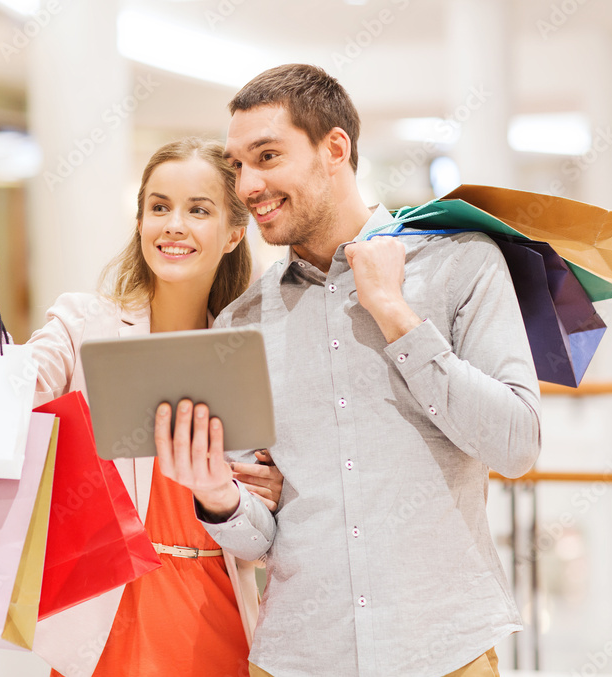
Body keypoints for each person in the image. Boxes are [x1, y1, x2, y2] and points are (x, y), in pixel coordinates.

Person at [154, 65, 542, 677]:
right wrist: (215, 494)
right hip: (296, 658)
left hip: (443, 652)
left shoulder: (461, 264)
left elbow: (516, 445)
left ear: (335, 148)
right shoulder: (242, 323)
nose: (248, 184)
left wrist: (395, 313)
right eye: (238, 165)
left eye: (268, 156)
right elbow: (259, 541)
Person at [0, 136, 284, 677]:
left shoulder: (258, 346)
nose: (174, 225)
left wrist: (278, 488)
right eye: (159, 207)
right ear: (141, 221)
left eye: (198, 210)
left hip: (215, 617)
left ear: (235, 233)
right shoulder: (84, 325)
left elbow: (277, 515)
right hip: (103, 618)